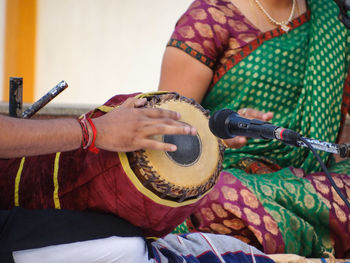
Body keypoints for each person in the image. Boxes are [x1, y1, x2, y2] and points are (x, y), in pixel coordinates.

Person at [158, 0, 350, 258]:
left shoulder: (335, 18)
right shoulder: (210, 17)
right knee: (221, 198)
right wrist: (222, 135)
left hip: (312, 175)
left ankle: (289, 233)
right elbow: (167, 129)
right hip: (229, 175)